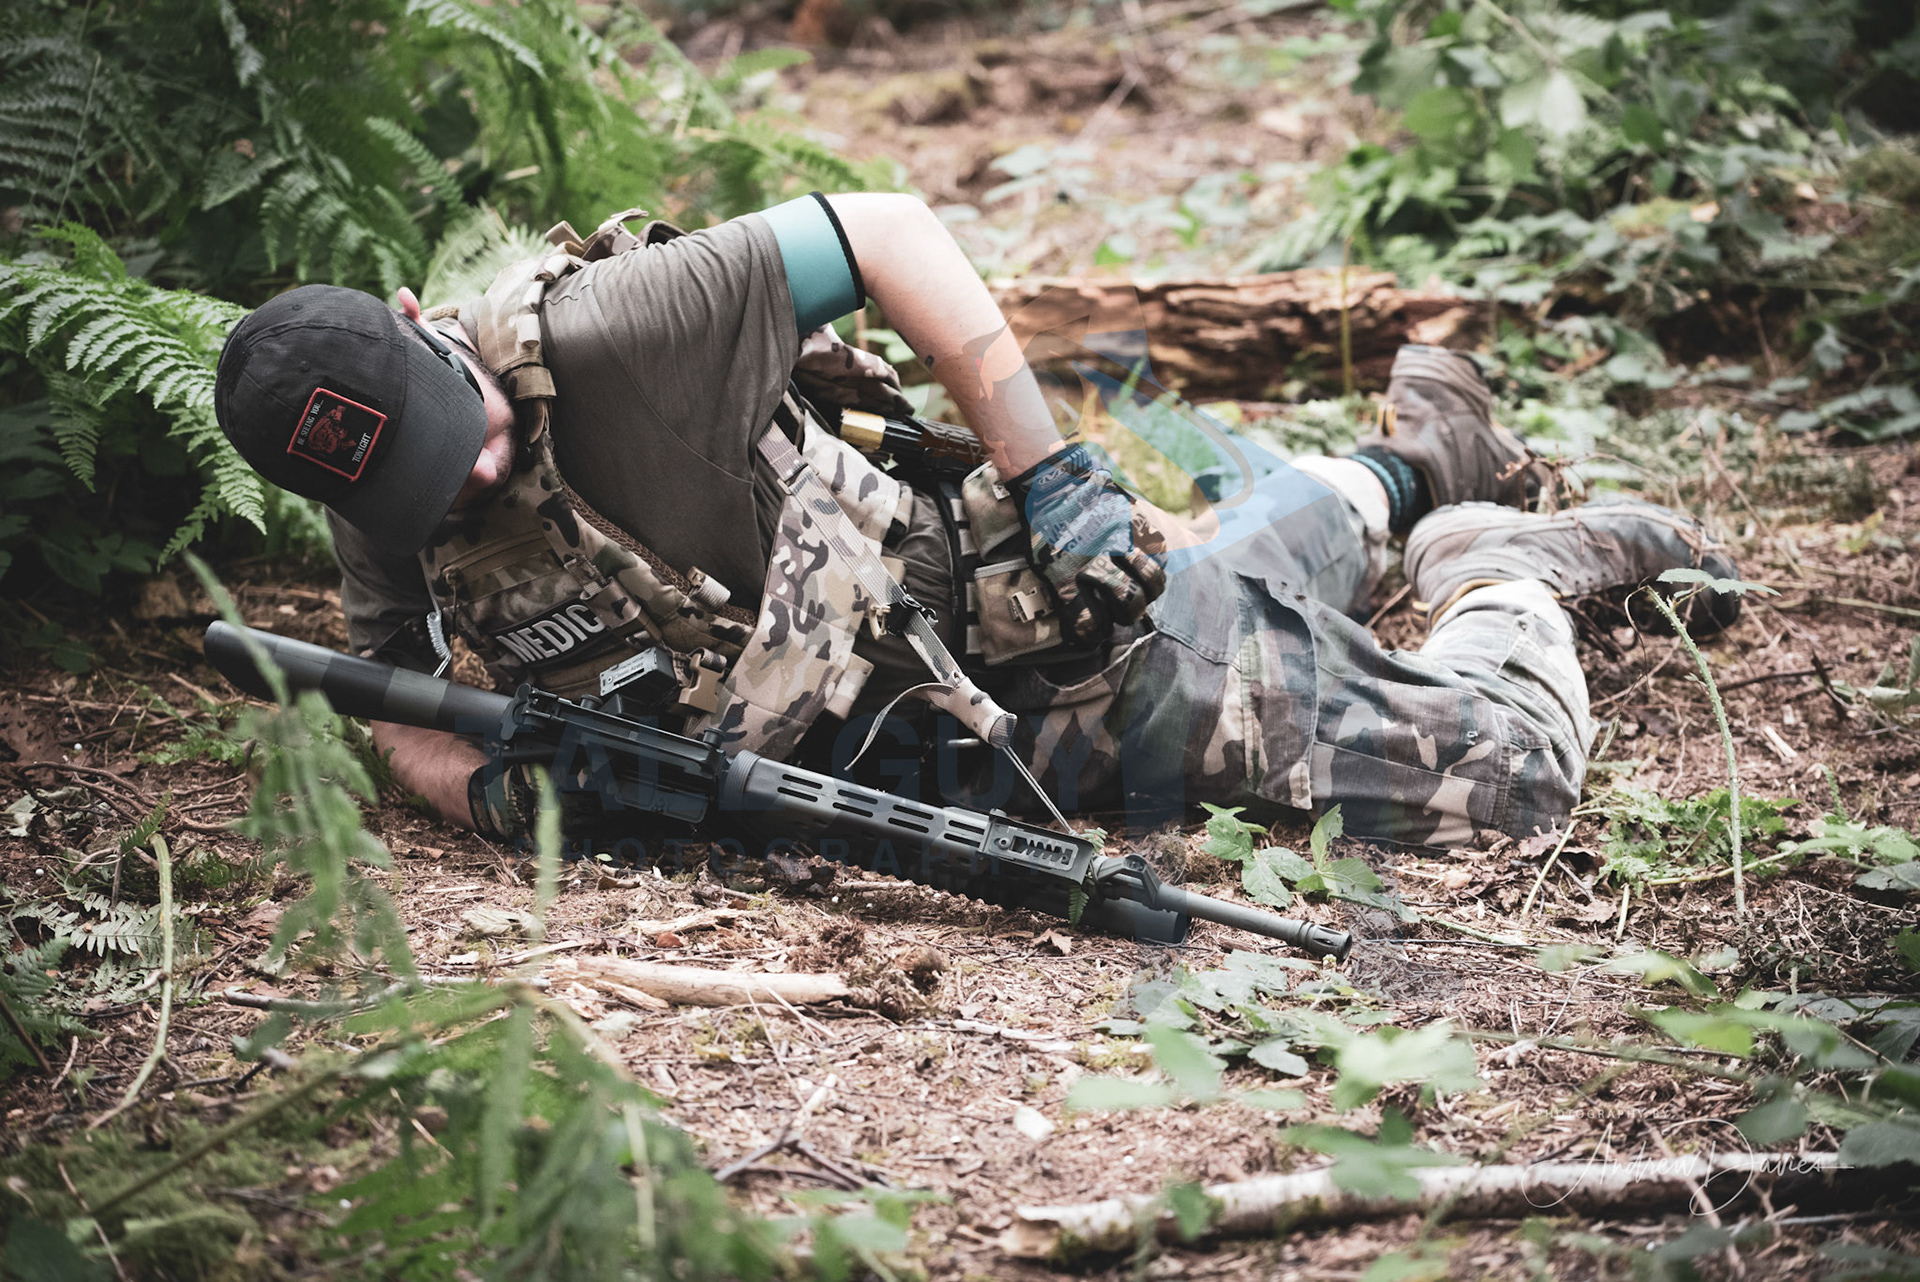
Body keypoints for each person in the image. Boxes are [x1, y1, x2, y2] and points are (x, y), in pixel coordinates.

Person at [213, 191, 1739, 851]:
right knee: (1241, 573)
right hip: (898, 764)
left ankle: (1501, 564)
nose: (466, 476)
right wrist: (503, 793)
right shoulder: (388, 494)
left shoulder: (616, 330)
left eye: (456, 431)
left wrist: (1050, 468)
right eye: (417, 484)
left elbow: (887, 230)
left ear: (419, 322)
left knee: (1514, 774)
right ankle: (1416, 460)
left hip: (1048, 667)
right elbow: (394, 701)